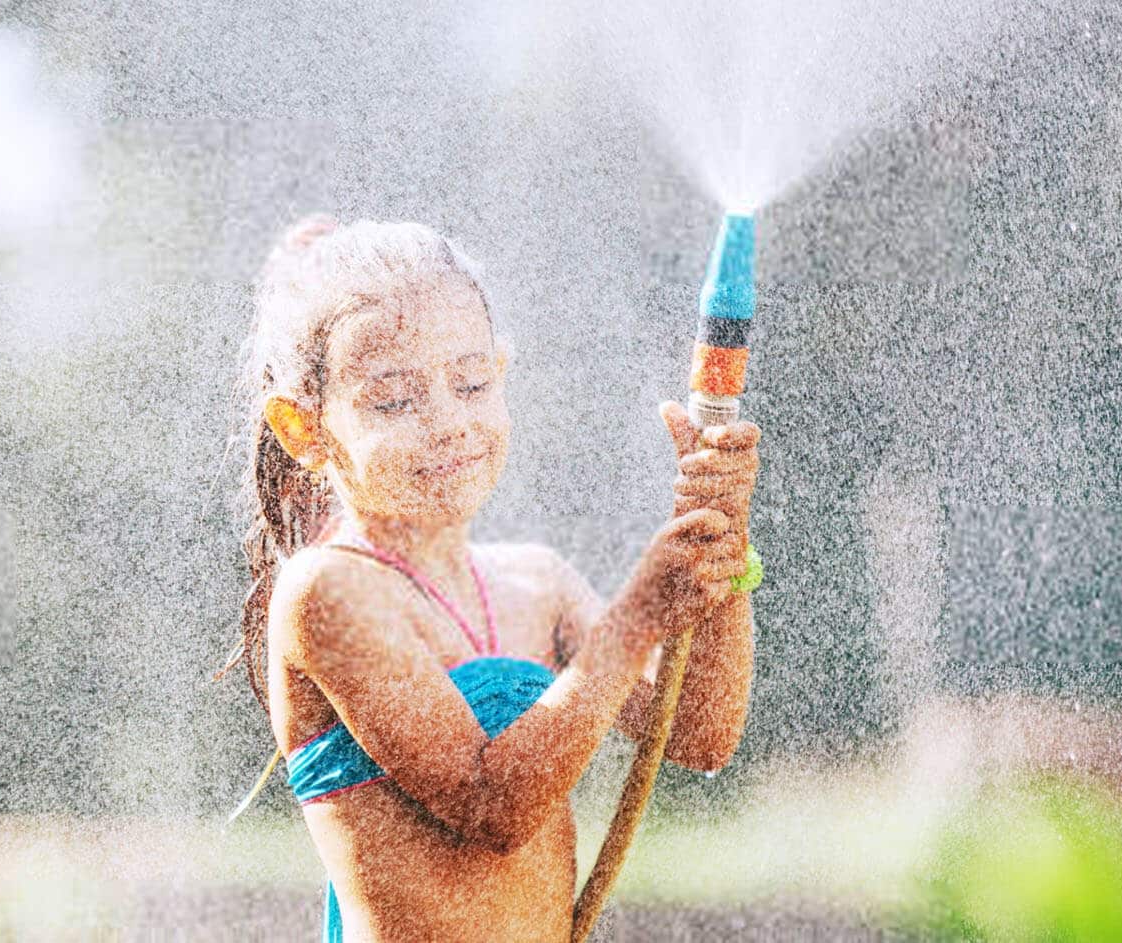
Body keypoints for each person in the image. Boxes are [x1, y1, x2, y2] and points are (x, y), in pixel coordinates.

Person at [224, 214, 758, 941]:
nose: (448, 422)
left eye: (471, 382)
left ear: (502, 371)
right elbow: (492, 806)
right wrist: (635, 619)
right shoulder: (329, 594)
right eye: (394, 400)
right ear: (304, 428)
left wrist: (721, 537)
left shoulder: (538, 583)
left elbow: (699, 733)